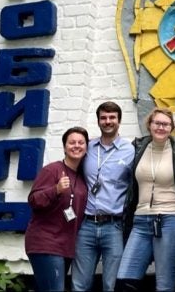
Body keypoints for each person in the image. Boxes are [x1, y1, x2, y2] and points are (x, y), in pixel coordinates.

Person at [116, 108, 175, 292]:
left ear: (171, 127)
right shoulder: (137, 147)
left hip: (170, 219)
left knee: (165, 283)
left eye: (166, 124)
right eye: (157, 123)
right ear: (149, 125)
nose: (161, 127)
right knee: (124, 279)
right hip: (140, 219)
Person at [73, 102, 135, 292]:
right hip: (87, 225)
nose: (108, 122)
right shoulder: (87, 147)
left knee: (112, 284)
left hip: (114, 226)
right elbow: (69, 161)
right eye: (103, 118)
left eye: (112, 118)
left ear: (119, 120)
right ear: (98, 121)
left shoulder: (131, 149)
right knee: (79, 284)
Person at [27, 127, 90, 292]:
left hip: (66, 246)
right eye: (72, 142)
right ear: (64, 147)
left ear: (86, 147)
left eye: (81, 142)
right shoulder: (52, 170)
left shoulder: (82, 177)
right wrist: (55, 189)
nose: (76, 146)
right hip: (46, 242)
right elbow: (33, 200)